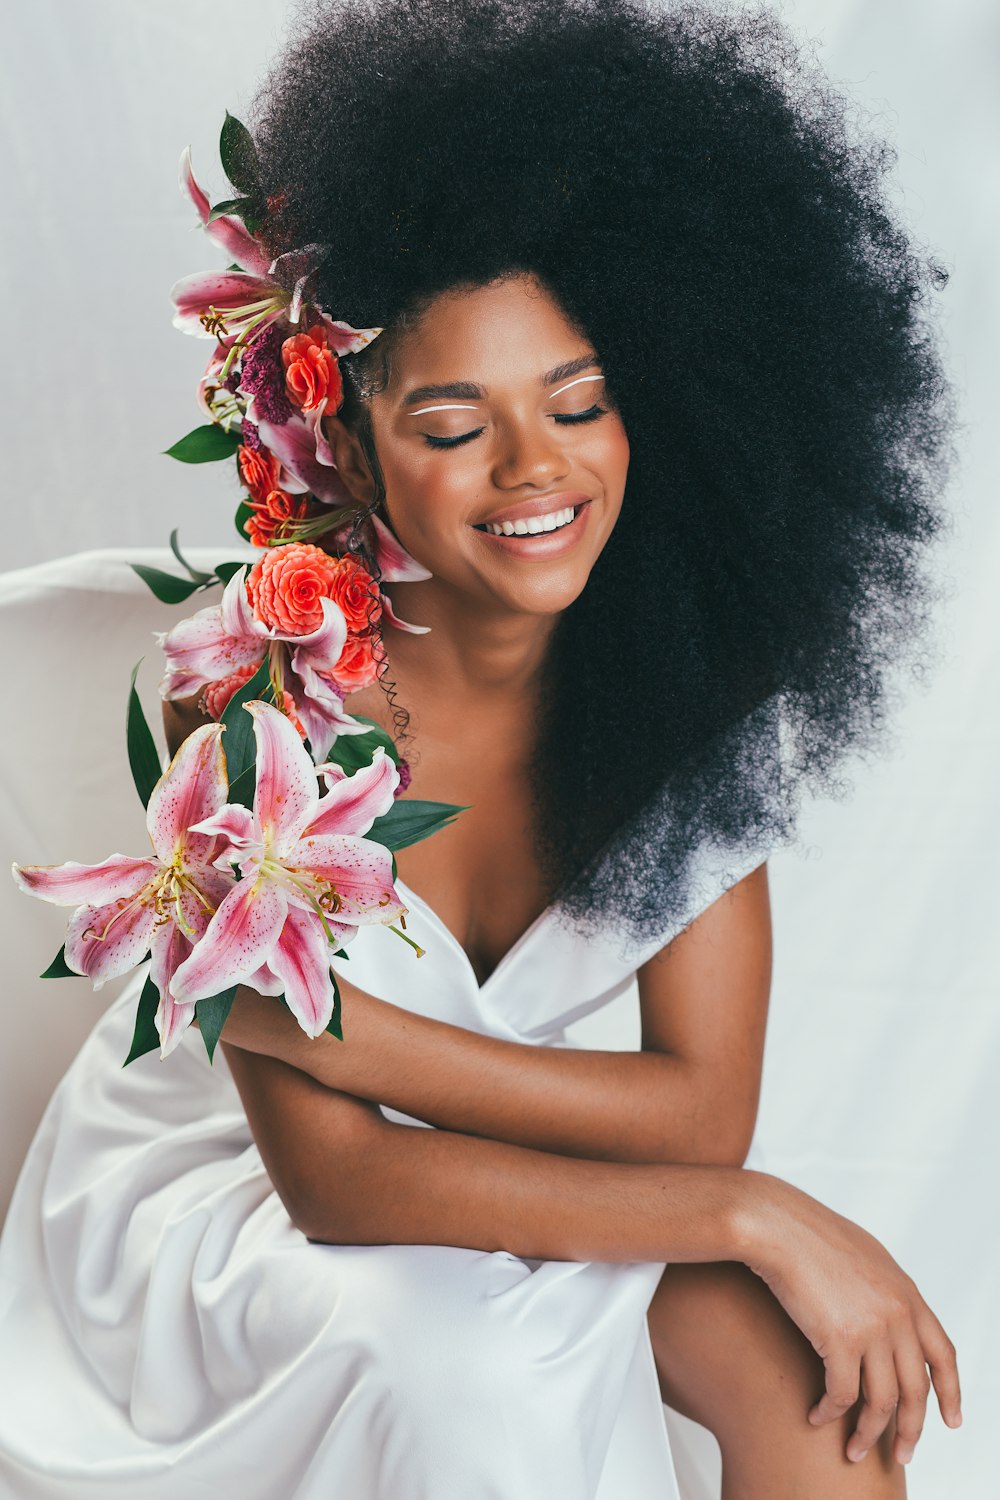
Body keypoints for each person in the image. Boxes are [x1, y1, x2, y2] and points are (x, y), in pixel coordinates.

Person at [0, 1, 962, 1497]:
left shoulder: (681, 705)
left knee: (811, 1388)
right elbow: (336, 1179)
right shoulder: (264, 693)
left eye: (577, 402)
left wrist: (334, 1029)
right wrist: (748, 1209)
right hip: (213, 1206)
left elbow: (700, 1117)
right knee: (467, 1364)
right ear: (348, 439)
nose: (535, 470)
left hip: (475, 1179)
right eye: (455, 428)